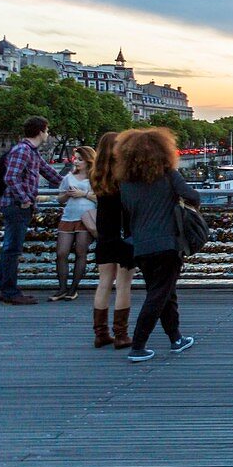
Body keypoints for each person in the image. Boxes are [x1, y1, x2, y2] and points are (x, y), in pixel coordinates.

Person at [115, 128, 200, 363]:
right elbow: (192, 196)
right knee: (158, 295)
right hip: (167, 244)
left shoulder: (125, 182)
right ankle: (138, 345)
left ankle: (176, 338)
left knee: (165, 292)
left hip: (141, 246)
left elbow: (127, 215)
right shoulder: (168, 175)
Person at [0, 116, 63, 305]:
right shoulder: (23, 151)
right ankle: (9, 291)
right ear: (41, 131)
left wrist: (70, 184)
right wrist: (25, 199)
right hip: (16, 206)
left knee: (12, 248)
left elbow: (48, 171)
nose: (48, 134)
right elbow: (11, 178)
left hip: (20, 206)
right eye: (47, 131)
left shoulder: (31, 152)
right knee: (12, 249)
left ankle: (7, 288)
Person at [90, 132, 136, 349]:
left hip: (105, 232)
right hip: (125, 233)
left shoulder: (97, 175)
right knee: (124, 284)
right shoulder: (125, 175)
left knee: (104, 282)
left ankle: (100, 333)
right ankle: (121, 334)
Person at [50, 146, 97, 302]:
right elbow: (59, 199)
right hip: (68, 217)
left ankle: (73, 288)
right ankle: (62, 288)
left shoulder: (95, 177)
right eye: (75, 158)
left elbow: (101, 197)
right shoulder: (68, 177)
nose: (76, 161)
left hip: (86, 218)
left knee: (80, 252)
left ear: (88, 161)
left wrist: (82, 193)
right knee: (61, 253)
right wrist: (67, 195)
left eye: (79, 159)